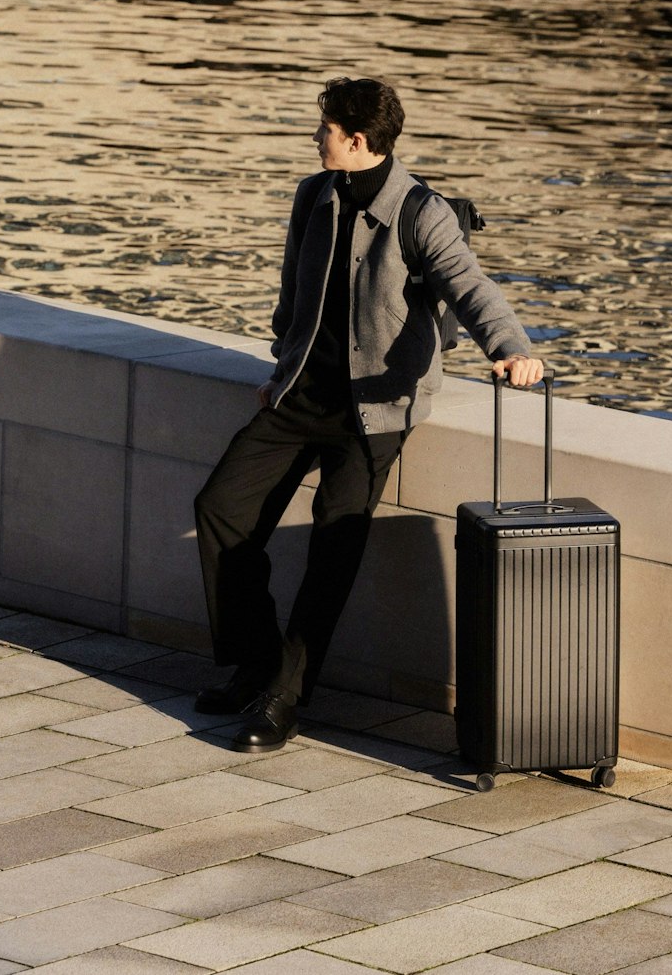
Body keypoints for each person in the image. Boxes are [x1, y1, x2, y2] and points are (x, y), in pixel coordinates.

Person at [193, 77, 544, 752]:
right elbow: (293, 296)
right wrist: (280, 367)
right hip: (300, 395)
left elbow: (470, 286)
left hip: (374, 410)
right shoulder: (313, 195)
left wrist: (512, 349)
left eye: (323, 128)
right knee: (220, 508)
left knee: (334, 542)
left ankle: (283, 699)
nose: (313, 136)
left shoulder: (421, 211)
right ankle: (259, 662)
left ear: (356, 142)